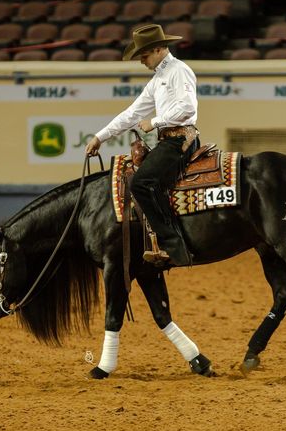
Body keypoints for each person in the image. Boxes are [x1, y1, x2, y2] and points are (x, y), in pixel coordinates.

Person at [85, 24, 200, 267]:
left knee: (141, 182)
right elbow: (131, 113)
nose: (141, 61)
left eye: (144, 55)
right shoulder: (158, 78)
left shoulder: (179, 71)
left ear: (159, 49)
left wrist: (155, 121)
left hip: (180, 139)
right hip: (170, 139)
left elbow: (188, 108)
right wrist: (100, 137)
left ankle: (172, 245)